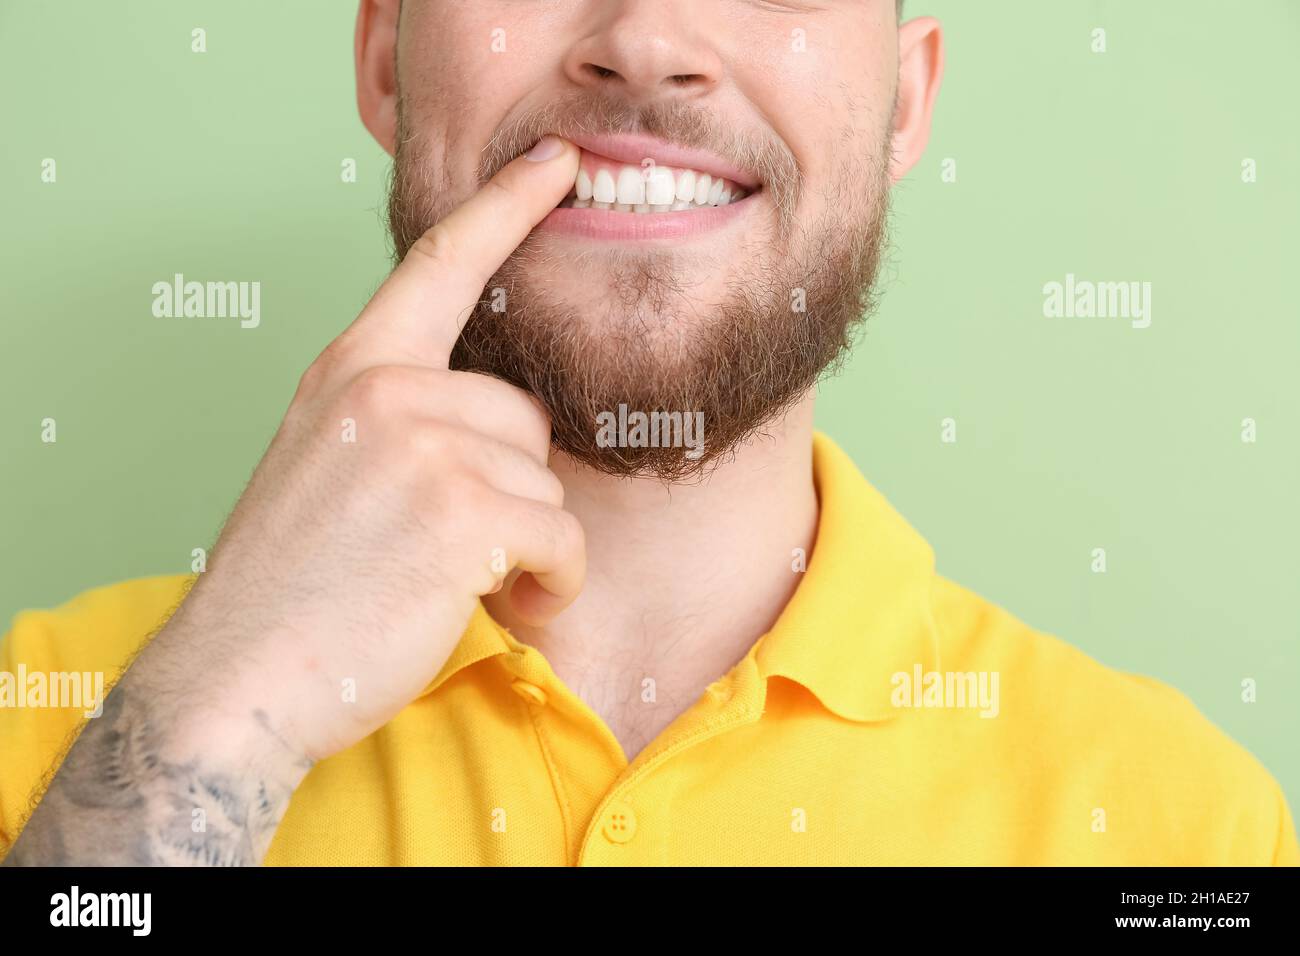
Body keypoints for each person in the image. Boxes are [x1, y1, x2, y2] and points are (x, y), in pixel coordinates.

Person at [2, 0, 1295, 866]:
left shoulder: (1185, 829)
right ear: (386, 60)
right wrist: (220, 716)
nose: (647, 40)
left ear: (904, 106)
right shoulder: (51, 730)